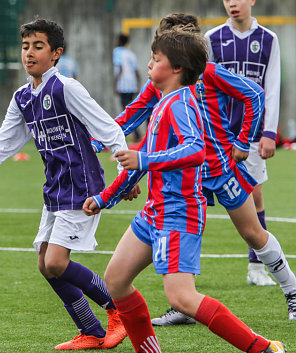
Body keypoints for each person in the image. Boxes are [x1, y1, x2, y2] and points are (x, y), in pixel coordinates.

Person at [83, 27, 285, 353]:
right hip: (154, 212)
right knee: (116, 280)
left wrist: (142, 157)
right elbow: (144, 163)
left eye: (155, 58)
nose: (149, 64)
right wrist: (104, 198)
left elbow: (194, 150)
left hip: (178, 214)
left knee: (182, 298)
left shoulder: (181, 104)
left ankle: (261, 348)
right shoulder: (163, 103)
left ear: (176, 67)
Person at [0, 18, 128, 350]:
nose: (29, 53)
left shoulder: (66, 88)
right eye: (25, 46)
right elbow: (5, 140)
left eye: (38, 46)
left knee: (55, 262)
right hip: (54, 190)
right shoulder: (23, 96)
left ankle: (119, 310)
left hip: (82, 186)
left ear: (56, 54)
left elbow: (108, 127)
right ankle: (92, 331)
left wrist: (126, 172)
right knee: (45, 265)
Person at [205, 0, 281, 287]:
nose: (232, 4)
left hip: (250, 135)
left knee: (256, 195)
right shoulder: (211, 39)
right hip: (218, 135)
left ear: (252, 0)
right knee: (196, 199)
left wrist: (269, 132)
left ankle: (256, 267)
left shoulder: (268, 39)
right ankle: (184, 269)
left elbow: (271, 88)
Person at [113, 33, 142, 144]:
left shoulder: (117, 51)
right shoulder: (130, 53)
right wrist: (138, 85)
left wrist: (115, 84)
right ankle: (136, 134)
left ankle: (126, 134)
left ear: (119, 41)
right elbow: (136, 70)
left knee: (125, 110)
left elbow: (119, 68)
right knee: (131, 109)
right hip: (132, 84)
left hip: (123, 84)